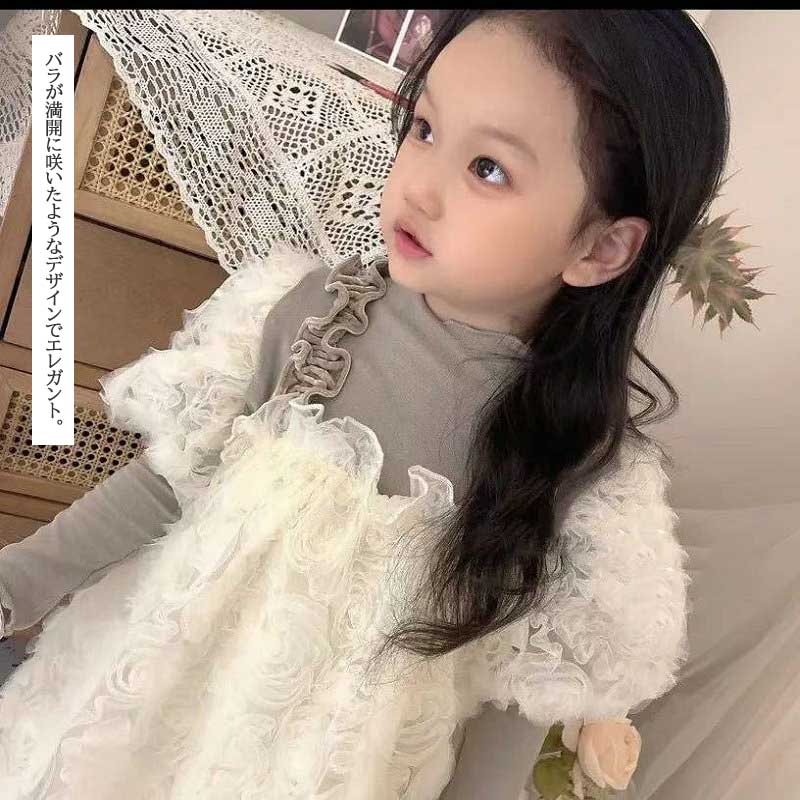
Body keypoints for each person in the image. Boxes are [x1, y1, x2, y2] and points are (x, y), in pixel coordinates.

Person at [0, 10, 728, 799]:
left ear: (599, 248)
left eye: (487, 168)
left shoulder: (568, 452)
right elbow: (170, 483)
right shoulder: (314, 313)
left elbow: (527, 684)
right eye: (424, 128)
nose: (419, 185)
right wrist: (19, 581)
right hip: (150, 692)